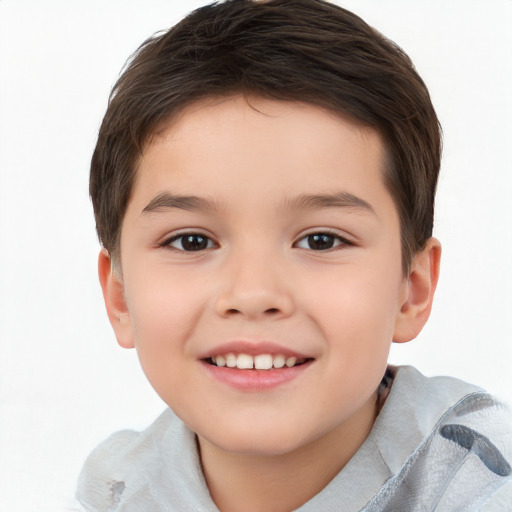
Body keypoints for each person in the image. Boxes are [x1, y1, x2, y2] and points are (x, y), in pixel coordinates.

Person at [76, 0, 512, 510]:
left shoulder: (480, 479)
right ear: (121, 296)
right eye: (192, 241)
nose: (254, 293)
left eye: (321, 240)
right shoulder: (116, 489)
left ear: (411, 289)